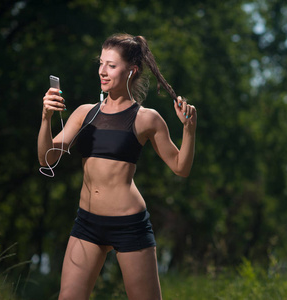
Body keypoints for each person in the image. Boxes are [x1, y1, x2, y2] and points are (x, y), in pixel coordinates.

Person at [37, 33, 197, 300]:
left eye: (111, 65)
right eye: (101, 63)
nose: (102, 71)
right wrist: (46, 117)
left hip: (129, 225)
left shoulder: (147, 119)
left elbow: (181, 167)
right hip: (87, 223)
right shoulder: (84, 113)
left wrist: (189, 130)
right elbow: (46, 159)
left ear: (131, 71)